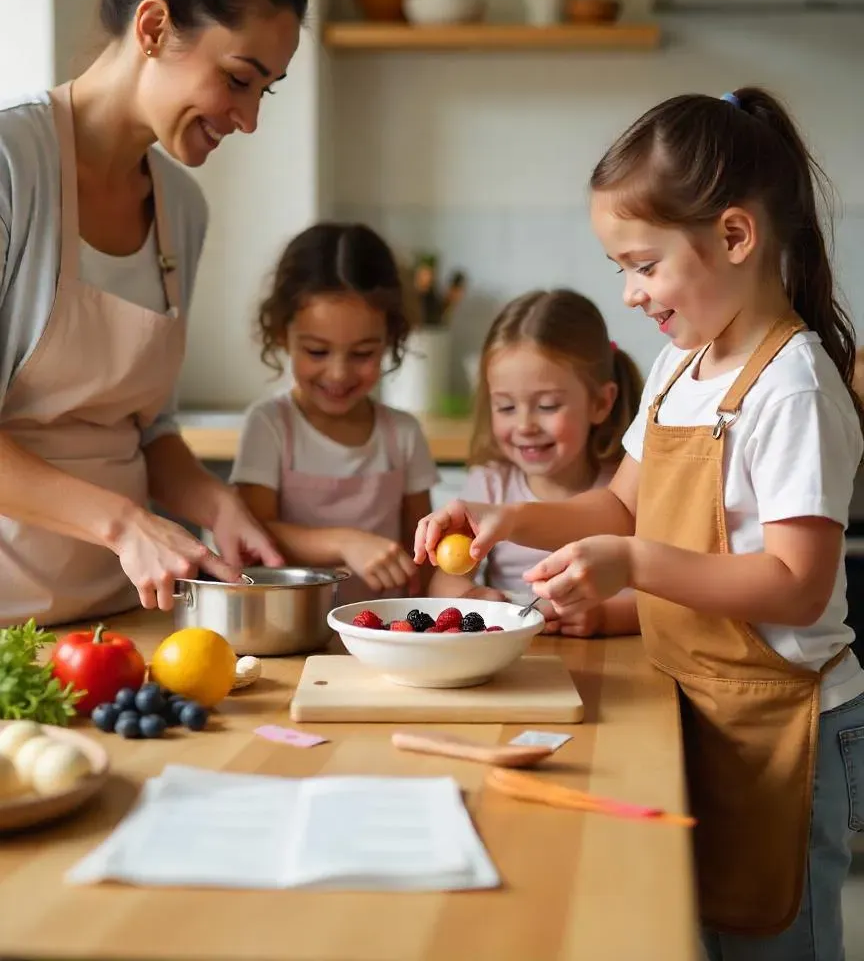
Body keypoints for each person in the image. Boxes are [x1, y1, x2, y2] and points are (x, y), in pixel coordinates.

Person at [416, 88, 864, 960]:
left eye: (643, 264)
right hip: (695, 701)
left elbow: (797, 584)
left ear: (735, 237)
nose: (628, 293)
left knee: (777, 940)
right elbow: (619, 502)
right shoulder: (680, 364)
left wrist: (632, 562)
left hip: (784, 727)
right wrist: (512, 516)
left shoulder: (794, 385)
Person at [0, 0, 309, 626]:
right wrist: (123, 524)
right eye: (239, 80)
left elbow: (150, 429)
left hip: (120, 621)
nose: (248, 118)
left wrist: (218, 505)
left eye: (266, 91)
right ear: (153, 26)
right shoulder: (11, 168)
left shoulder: (181, 208)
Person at [232, 222, 438, 604]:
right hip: (290, 630)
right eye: (316, 351)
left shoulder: (403, 434)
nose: (339, 374)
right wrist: (344, 542)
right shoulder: (271, 425)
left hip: (385, 632)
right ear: (282, 333)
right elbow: (255, 532)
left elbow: (424, 557)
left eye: (362, 354)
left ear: (391, 339)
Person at [429, 289, 642, 637]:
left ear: (601, 403)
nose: (525, 426)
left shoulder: (627, 488)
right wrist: (471, 599)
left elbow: (666, 597)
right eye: (506, 407)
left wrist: (605, 617)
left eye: (547, 406)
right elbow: (444, 581)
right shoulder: (489, 486)